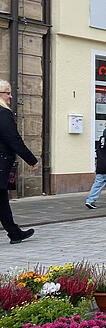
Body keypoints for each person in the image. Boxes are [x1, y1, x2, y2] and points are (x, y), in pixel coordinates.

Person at [0, 80, 37, 244]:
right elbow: (13, 139)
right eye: (7, 93)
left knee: (2, 201)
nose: (10, 96)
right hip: (1, 162)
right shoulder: (3, 113)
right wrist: (31, 159)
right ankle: (14, 233)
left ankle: (14, 233)